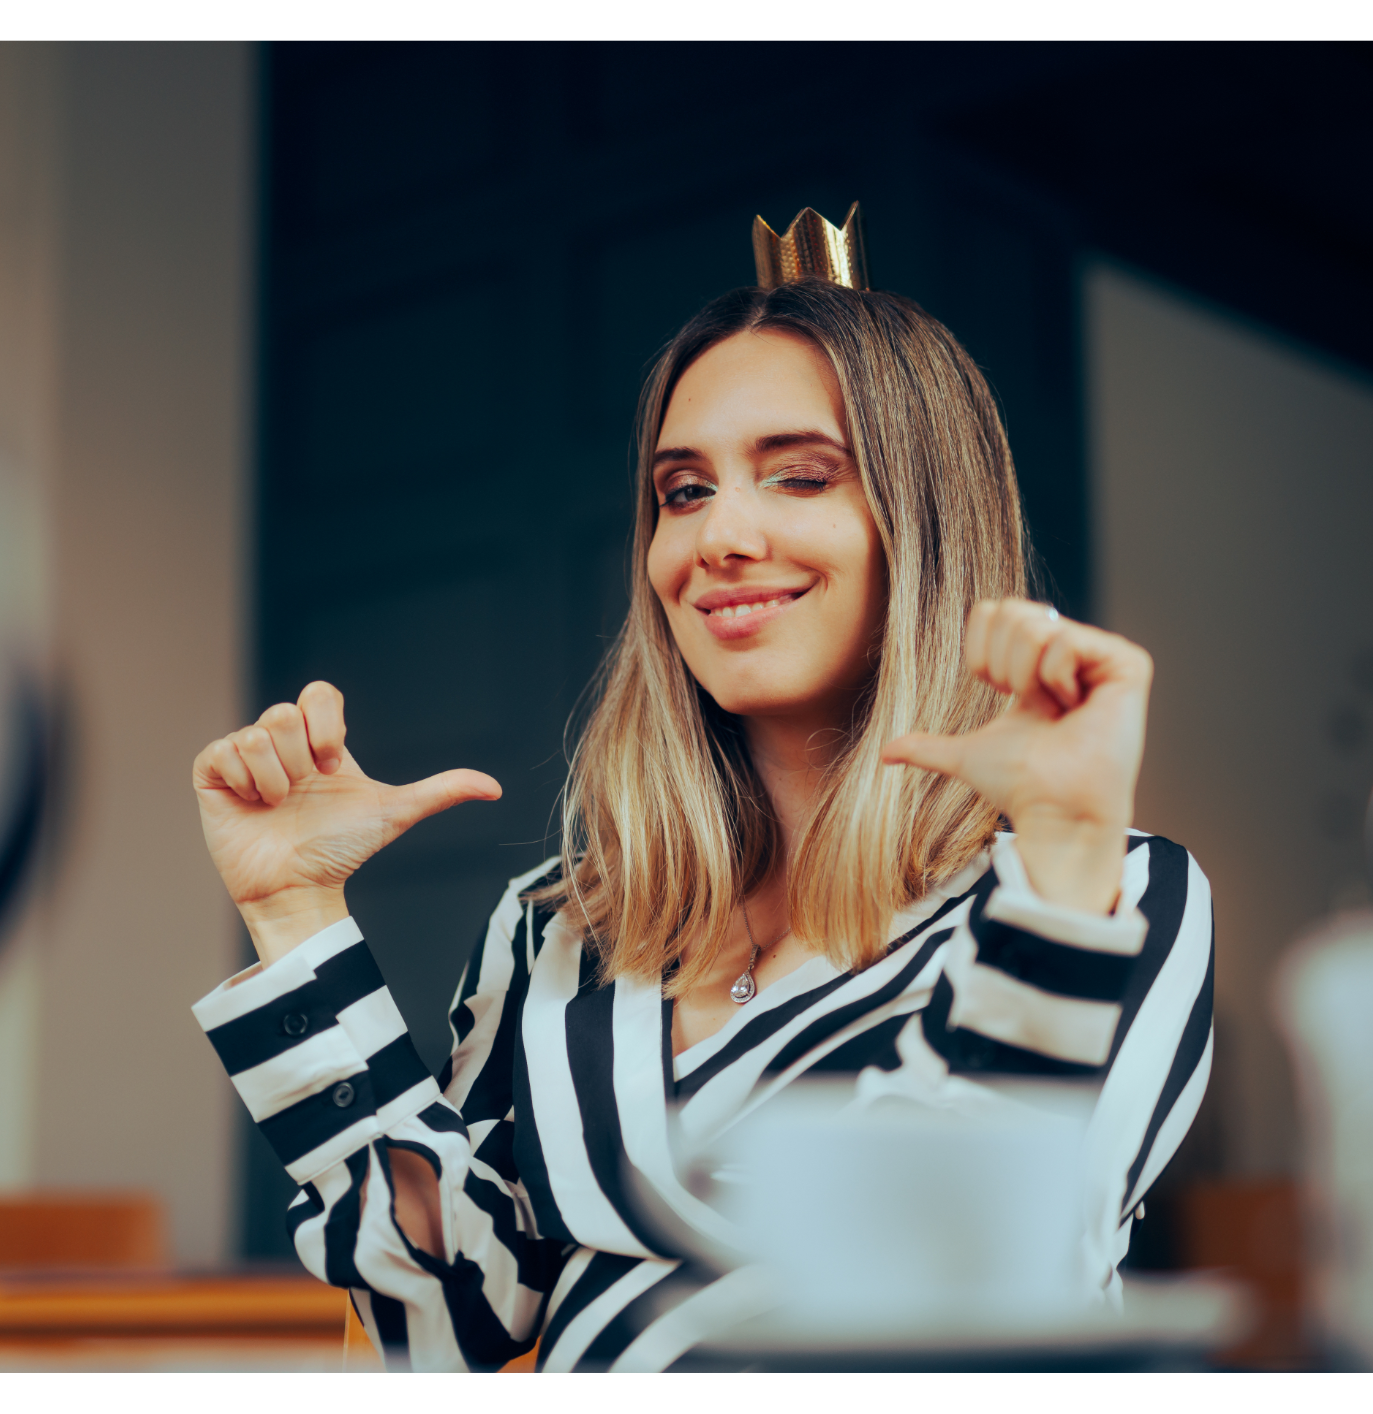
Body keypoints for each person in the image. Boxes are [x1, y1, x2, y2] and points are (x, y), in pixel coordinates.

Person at [188, 208, 1213, 1372]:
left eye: (799, 475)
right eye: (681, 491)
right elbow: (444, 1324)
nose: (720, 536)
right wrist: (295, 919)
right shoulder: (556, 927)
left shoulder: (1105, 893)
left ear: (921, 521)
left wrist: (1064, 854)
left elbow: (977, 1288)